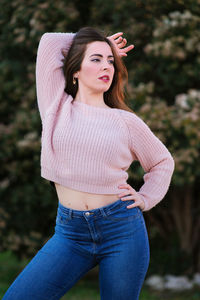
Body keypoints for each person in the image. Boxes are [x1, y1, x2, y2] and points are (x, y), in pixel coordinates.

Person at [3, 27, 175, 300]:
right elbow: (49, 42)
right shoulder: (56, 105)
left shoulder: (126, 122)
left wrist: (145, 197)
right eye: (96, 59)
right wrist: (104, 41)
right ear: (75, 70)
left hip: (122, 231)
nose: (106, 65)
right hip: (70, 234)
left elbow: (162, 162)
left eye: (110, 60)